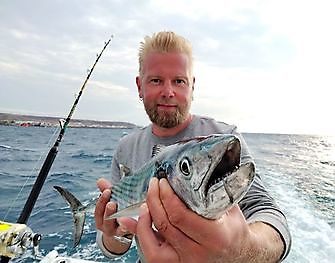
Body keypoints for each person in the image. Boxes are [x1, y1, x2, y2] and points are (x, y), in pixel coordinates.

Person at [94, 31, 291, 262]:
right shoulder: (125, 148)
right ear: (140, 86)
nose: (168, 92)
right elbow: (115, 244)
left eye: (179, 81)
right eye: (156, 80)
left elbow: (268, 214)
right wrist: (114, 235)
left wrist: (241, 250)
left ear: (192, 86)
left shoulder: (225, 138)